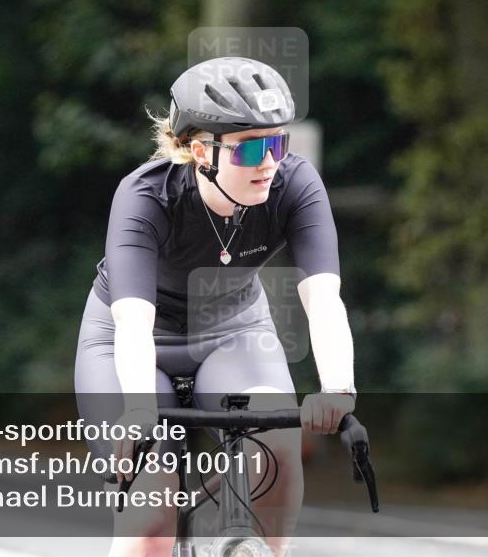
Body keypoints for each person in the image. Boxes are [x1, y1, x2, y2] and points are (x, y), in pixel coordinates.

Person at [74, 57, 357, 557]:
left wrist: (337, 387)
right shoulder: (144, 197)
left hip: (232, 329)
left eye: (277, 143)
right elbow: (132, 323)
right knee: (152, 515)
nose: (270, 162)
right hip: (136, 338)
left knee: (277, 446)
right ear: (199, 151)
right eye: (251, 148)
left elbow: (324, 299)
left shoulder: (295, 184)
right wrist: (139, 411)